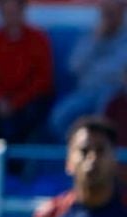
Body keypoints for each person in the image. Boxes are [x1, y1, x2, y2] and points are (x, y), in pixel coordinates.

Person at [0, 0, 52, 153]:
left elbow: (43, 80)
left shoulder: (39, 38)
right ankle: (3, 161)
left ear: (23, 11)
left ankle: (18, 162)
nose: (10, 17)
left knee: (29, 117)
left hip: (30, 99)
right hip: (2, 99)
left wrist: (15, 102)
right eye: (6, 13)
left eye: (14, 12)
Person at [54, 0, 127, 140]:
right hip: (85, 93)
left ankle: (102, 153)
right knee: (59, 117)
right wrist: (97, 40)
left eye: (112, 12)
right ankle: (77, 151)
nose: (109, 16)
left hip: (113, 93)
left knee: (104, 116)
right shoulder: (90, 36)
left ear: (122, 11)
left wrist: (94, 69)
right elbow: (74, 67)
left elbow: (117, 73)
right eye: (106, 12)